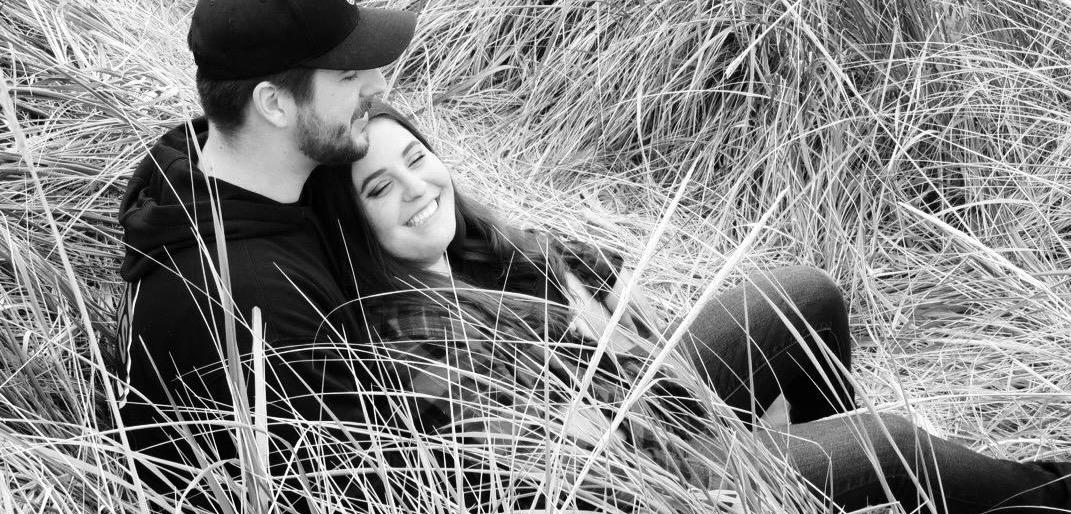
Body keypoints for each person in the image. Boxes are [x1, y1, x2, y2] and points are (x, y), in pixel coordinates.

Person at [305, 104, 1071, 514]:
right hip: (649, 474)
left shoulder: (484, 252)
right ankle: (1048, 492)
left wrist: (587, 294)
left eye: (416, 158)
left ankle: (831, 489)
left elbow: (614, 310)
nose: (416, 188)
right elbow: (560, 469)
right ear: (356, 225)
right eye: (380, 188)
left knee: (805, 295)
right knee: (890, 443)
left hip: (648, 406)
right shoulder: (413, 331)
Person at [114, 0, 416, 511]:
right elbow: (377, 492)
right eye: (350, 74)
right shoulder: (257, 304)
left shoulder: (194, 177)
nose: (378, 85)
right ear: (274, 104)